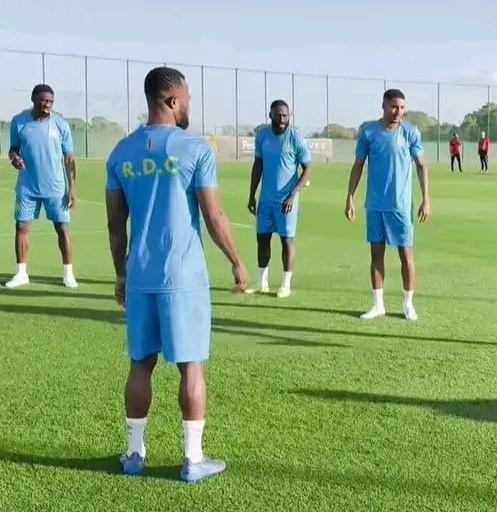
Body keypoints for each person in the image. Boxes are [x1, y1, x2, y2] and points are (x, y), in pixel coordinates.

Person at [105, 66, 249, 483]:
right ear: (172, 101)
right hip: (182, 277)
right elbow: (214, 215)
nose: (189, 106)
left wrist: (121, 275)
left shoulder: (121, 153)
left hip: (140, 275)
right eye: (186, 99)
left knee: (140, 364)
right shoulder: (194, 148)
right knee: (191, 368)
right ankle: (193, 459)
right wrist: (237, 261)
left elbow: (116, 226)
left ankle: (134, 454)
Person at [345, 88, 430, 321]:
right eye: (393, 107)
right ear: (383, 106)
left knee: (406, 256)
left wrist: (426, 199)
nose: (397, 112)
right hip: (375, 205)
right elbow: (358, 165)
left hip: (401, 206)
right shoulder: (369, 132)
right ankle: (378, 305)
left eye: (401, 108)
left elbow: (421, 165)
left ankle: (408, 304)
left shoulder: (410, 132)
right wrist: (350, 197)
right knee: (376, 255)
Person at [6, 84, 78, 288]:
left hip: (56, 188)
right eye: (43, 100)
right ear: (34, 99)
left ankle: (68, 274)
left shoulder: (60, 124)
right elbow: (13, 149)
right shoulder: (19, 122)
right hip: (27, 187)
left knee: (62, 228)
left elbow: (69, 158)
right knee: (21, 227)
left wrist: (72, 188)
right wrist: (14, 158)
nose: (47, 104)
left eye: (50, 101)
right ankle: (21, 274)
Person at [246, 99, 311, 298]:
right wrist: (252, 194)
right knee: (262, 239)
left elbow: (307, 169)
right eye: (278, 115)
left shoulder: (295, 138)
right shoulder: (263, 136)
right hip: (266, 200)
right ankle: (262, 282)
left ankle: (285, 284)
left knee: (287, 241)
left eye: (285, 115)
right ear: (270, 115)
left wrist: (293, 194)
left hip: (286, 201)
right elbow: (258, 165)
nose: (282, 119)